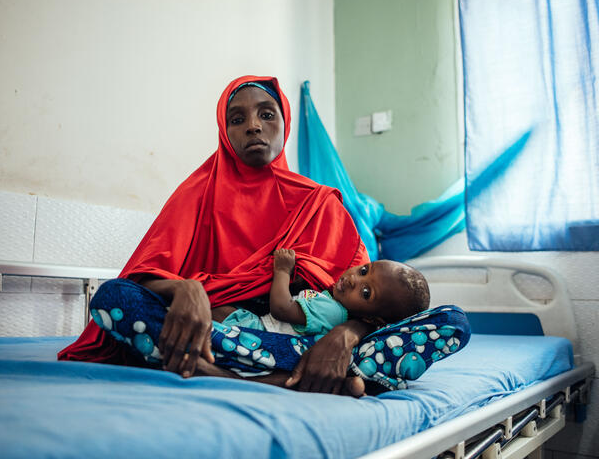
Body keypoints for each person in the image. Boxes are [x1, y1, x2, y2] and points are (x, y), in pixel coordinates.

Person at [58, 75, 374, 396]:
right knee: (115, 298)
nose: (253, 126)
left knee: (399, 336)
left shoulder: (320, 204)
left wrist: (343, 339)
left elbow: (372, 300)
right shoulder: (198, 193)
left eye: (267, 114)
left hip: (297, 341)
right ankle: (272, 378)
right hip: (212, 333)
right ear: (224, 133)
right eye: (237, 119)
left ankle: (207, 370)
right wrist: (185, 288)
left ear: (285, 122)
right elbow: (142, 278)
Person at [213, 249, 430, 336]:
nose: (355, 279)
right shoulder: (332, 301)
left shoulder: (332, 311)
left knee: (211, 305)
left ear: (370, 318)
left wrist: (282, 270)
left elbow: (281, 309)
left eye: (366, 293)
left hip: (255, 330)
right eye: (364, 270)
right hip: (258, 325)